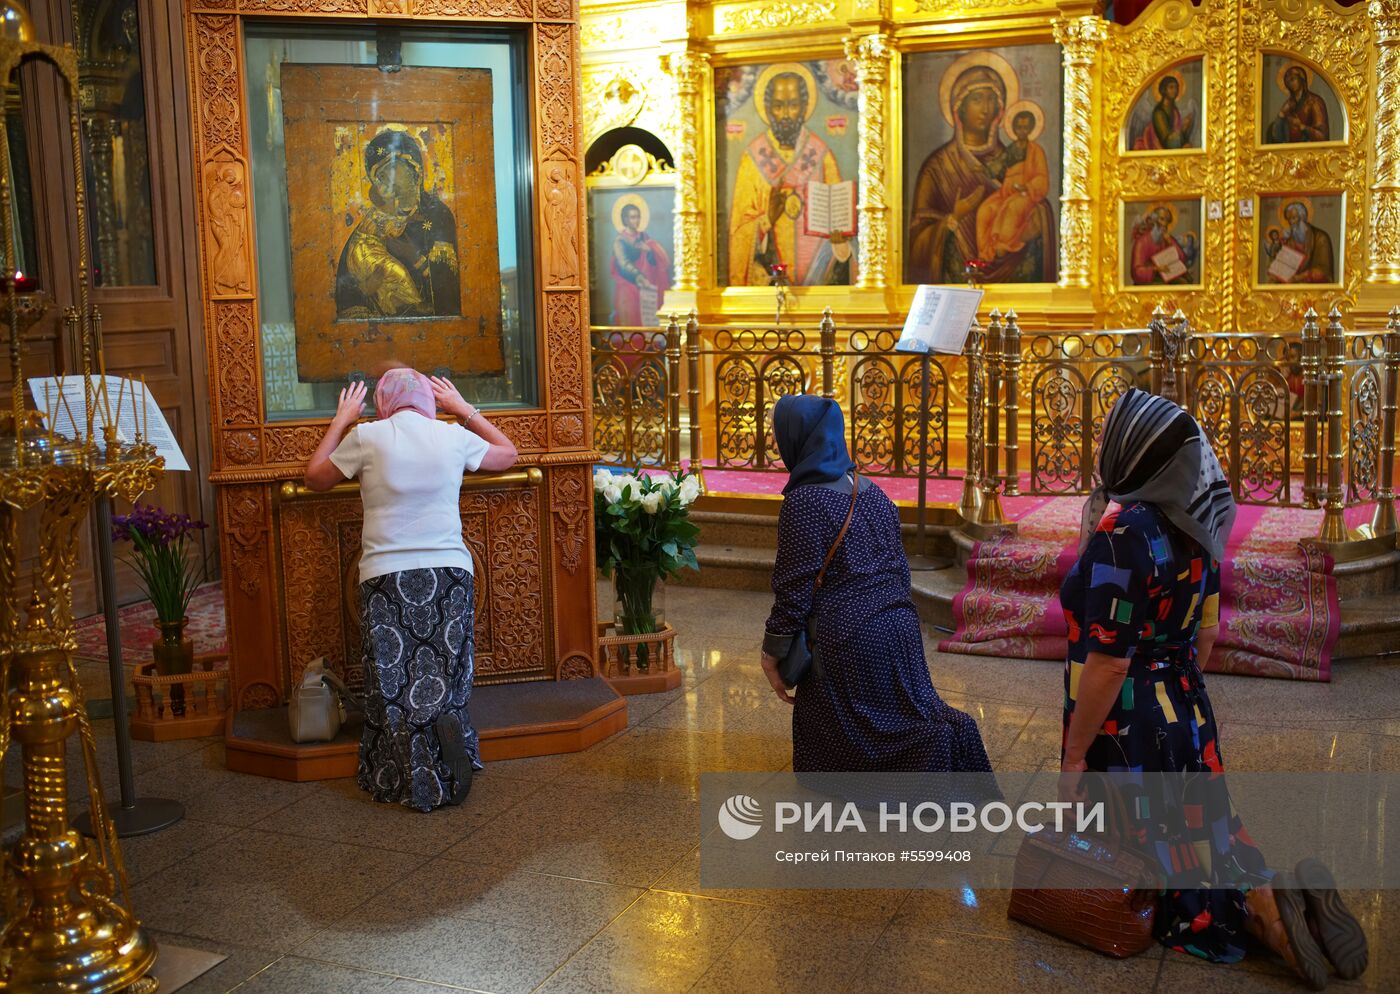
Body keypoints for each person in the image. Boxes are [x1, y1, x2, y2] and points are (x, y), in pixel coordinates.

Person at [1060, 389, 1366, 987]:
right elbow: (1206, 634)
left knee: (1159, 864)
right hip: (1187, 706)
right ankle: (1277, 903)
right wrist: (1173, 674)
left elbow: (1108, 663)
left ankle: (1261, 921)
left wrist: (1075, 755)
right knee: (1201, 830)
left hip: (1132, 724)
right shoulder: (1197, 522)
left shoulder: (1121, 534)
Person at [304, 367, 518, 812]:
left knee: (393, 683)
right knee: (447, 680)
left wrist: (342, 420)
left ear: (384, 401)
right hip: (450, 574)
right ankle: (453, 759)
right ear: (429, 399)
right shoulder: (452, 435)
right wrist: (463, 410)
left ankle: (403, 773)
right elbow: (508, 454)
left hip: (386, 576)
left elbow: (315, 477)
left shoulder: (369, 437)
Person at [758, 395, 992, 774]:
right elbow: (900, 570)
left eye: (777, 431)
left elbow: (793, 591)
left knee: (868, 739)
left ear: (796, 438)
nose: (774, 439)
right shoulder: (871, 491)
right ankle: (954, 737)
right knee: (906, 714)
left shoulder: (803, 501)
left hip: (846, 636)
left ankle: (935, 753)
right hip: (899, 625)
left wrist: (772, 653)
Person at [907, 64, 1056, 283]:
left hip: (1016, 295)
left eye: (991, 100)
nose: (986, 108)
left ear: (999, 108)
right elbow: (917, 241)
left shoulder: (1013, 158)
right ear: (959, 108)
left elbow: (1037, 199)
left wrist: (1034, 223)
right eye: (977, 99)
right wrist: (954, 218)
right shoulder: (937, 167)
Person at [727, 68, 853, 286]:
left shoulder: (821, 155)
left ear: (804, 108)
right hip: (767, 284)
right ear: (767, 109)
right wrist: (767, 219)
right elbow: (738, 233)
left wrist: (840, 237)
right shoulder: (752, 158)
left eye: (793, 105)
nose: (786, 114)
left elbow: (841, 223)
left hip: (818, 281)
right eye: (778, 106)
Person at [336, 129, 461, 319]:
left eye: (390, 169)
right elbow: (346, 293)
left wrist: (415, 258)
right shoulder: (373, 226)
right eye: (379, 176)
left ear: (414, 167)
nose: (384, 179)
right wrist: (368, 287)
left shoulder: (437, 215)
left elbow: (449, 291)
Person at [975, 109, 1050, 260]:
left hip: (1026, 195)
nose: (1022, 131)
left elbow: (1042, 177)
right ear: (1014, 129)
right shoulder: (1011, 149)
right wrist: (982, 169)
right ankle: (985, 252)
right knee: (985, 210)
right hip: (1006, 193)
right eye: (1019, 127)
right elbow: (997, 167)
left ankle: (1002, 245)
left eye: (1025, 127)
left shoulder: (1036, 151)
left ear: (1031, 129)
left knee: (1011, 208)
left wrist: (1027, 187)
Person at [609, 200, 671, 327]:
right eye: (632, 217)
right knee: (631, 317)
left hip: (647, 285)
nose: (636, 221)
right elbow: (623, 263)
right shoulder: (620, 241)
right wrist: (639, 276)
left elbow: (656, 261)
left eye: (637, 217)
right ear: (625, 219)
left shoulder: (644, 237)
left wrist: (650, 251)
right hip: (628, 284)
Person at [1267, 65, 1330, 144]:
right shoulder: (1288, 105)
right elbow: (1277, 137)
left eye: (1292, 79)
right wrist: (1281, 115)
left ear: (1301, 79)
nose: (1290, 83)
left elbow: (1322, 136)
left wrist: (1302, 127)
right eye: (1287, 82)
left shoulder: (1315, 101)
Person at [1130, 205, 1191, 285]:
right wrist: (1156, 269)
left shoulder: (1167, 237)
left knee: (1185, 282)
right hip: (1149, 280)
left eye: (1167, 221)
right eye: (1162, 219)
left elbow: (1182, 259)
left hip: (1166, 275)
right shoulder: (1142, 242)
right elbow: (1136, 272)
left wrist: (1170, 241)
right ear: (1154, 220)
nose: (1165, 224)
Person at [1133, 74, 1195, 150]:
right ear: (1164, 90)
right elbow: (1167, 142)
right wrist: (1183, 128)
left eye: (1176, 87)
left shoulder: (1174, 111)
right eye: (1171, 87)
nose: (1175, 90)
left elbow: (1180, 137)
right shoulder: (1158, 112)